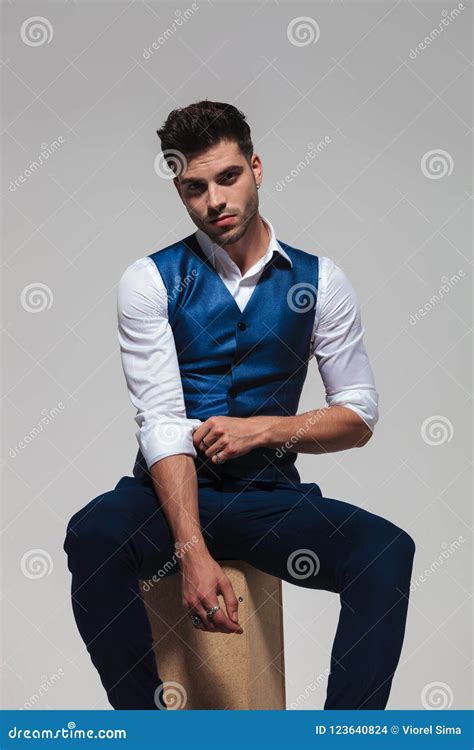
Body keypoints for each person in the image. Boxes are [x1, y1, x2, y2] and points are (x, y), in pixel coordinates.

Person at [63, 99, 415, 711]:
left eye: (228, 177)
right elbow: (161, 420)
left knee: (385, 551)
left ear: (256, 167)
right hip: (167, 495)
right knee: (93, 534)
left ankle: (345, 734)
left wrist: (263, 431)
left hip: (268, 501)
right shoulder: (149, 280)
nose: (214, 200)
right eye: (194, 187)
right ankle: (147, 727)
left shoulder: (320, 281)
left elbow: (358, 414)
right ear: (179, 190)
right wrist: (192, 550)